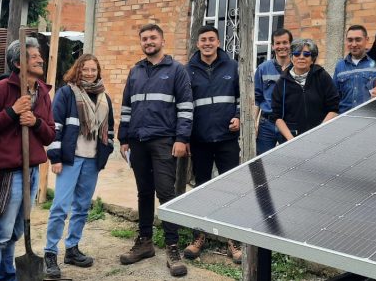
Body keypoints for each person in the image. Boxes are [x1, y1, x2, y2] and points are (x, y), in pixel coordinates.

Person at [0, 38, 56, 281]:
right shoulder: (0, 90)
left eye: (39, 55)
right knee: (0, 234)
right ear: (18, 63)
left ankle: (7, 276)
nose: (40, 59)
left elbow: (50, 134)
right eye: (33, 56)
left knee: (16, 233)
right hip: (9, 173)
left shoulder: (42, 93)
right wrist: (12, 112)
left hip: (31, 170)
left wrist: (35, 123)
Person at [118, 23, 193, 277]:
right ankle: (145, 242)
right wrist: (123, 138)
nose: (148, 41)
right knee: (143, 192)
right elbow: (126, 107)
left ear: (162, 40)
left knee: (165, 192)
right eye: (144, 38)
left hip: (164, 141)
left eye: (153, 37)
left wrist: (182, 138)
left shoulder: (176, 70)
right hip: (138, 141)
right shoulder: (135, 71)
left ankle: (172, 247)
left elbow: (185, 107)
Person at [43, 54, 115, 279]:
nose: (90, 73)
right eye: (85, 70)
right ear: (78, 70)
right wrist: (55, 157)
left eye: (94, 70)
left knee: (82, 208)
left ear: (98, 71)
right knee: (60, 208)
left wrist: (107, 150)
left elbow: (109, 129)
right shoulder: (66, 93)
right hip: (69, 160)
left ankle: (72, 249)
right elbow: (55, 126)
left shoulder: (104, 98)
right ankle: (50, 253)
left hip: (92, 161)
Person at [182, 25, 243, 263]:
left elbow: (243, 96)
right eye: (203, 40)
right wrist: (185, 137)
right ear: (197, 44)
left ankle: (232, 240)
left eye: (211, 39)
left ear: (219, 42)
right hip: (200, 140)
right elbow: (185, 105)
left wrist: (239, 116)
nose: (207, 43)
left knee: (231, 188)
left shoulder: (233, 67)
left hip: (227, 139)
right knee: (201, 189)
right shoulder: (188, 71)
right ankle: (199, 237)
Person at [271, 39, 339, 141]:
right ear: (292, 58)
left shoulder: (322, 77)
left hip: (321, 137)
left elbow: (334, 108)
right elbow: (276, 115)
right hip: (292, 138)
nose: (301, 57)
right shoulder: (282, 82)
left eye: (307, 54)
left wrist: (319, 132)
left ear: (312, 59)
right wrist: (291, 139)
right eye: (297, 54)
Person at [253, 28, 293, 154]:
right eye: (278, 43)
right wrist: (254, 123)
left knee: (291, 161)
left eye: (285, 42)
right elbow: (256, 98)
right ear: (272, 46)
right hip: (266, 125)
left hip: (290, 123)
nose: (281, 46)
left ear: (290, 44)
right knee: (261, 164)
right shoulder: (263, 68)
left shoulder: (298, 68)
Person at [333, 25, 376, 114]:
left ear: (367, 40)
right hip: (344, 118)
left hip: (369, 116)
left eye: (358, 40)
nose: (353, 44)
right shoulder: (340, 66)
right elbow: (334, 96)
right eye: (350, 40)